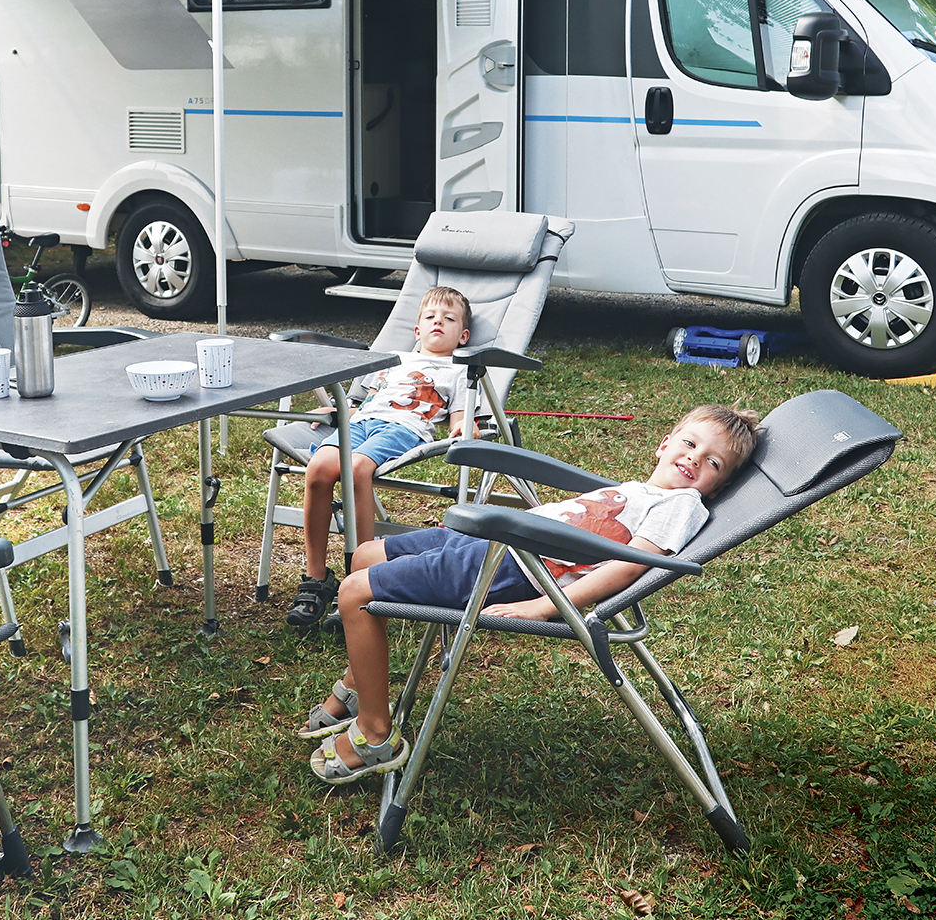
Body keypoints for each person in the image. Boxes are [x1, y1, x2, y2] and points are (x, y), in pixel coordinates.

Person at [298, 405, 760, 784]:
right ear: (664, 443)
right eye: (690, 444)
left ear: (718, 486)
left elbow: (630, 564)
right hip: (499, 542)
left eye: (712, 463)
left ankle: (376, 735)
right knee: (366, 556)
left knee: (354, 592)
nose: (695, 459)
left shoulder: (682, 505)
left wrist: (543, 605)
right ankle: (361, 687)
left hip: (513, 568)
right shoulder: (646, 490)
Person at [285, 287, 478, 629]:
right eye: (430, 317)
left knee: (358, 469)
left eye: (449, 319)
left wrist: (465, 427)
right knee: (318, 469)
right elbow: (368, 401)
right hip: (360, 423)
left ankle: (360, 578)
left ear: (462, 336)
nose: (438, 322)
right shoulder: (393, 358)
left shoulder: (461, 370)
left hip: (405, 427)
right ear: (417, 330)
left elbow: (459, 417)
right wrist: (337, 410)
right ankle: (317, 578)